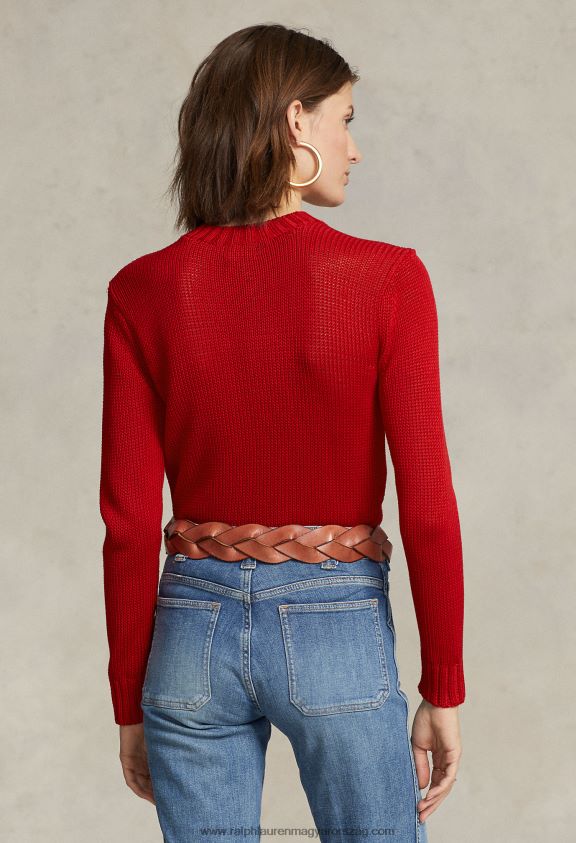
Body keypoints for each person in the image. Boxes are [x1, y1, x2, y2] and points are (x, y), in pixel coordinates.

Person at [100, 23, 464, 843]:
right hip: (336, 622)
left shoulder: (142, 290)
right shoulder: (387, 280)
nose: (354, 148)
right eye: (346, 119)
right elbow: (430, 507)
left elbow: (125, 524)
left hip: (188, 634)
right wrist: (443, 684)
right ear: (297, 120)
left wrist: (130, 701)